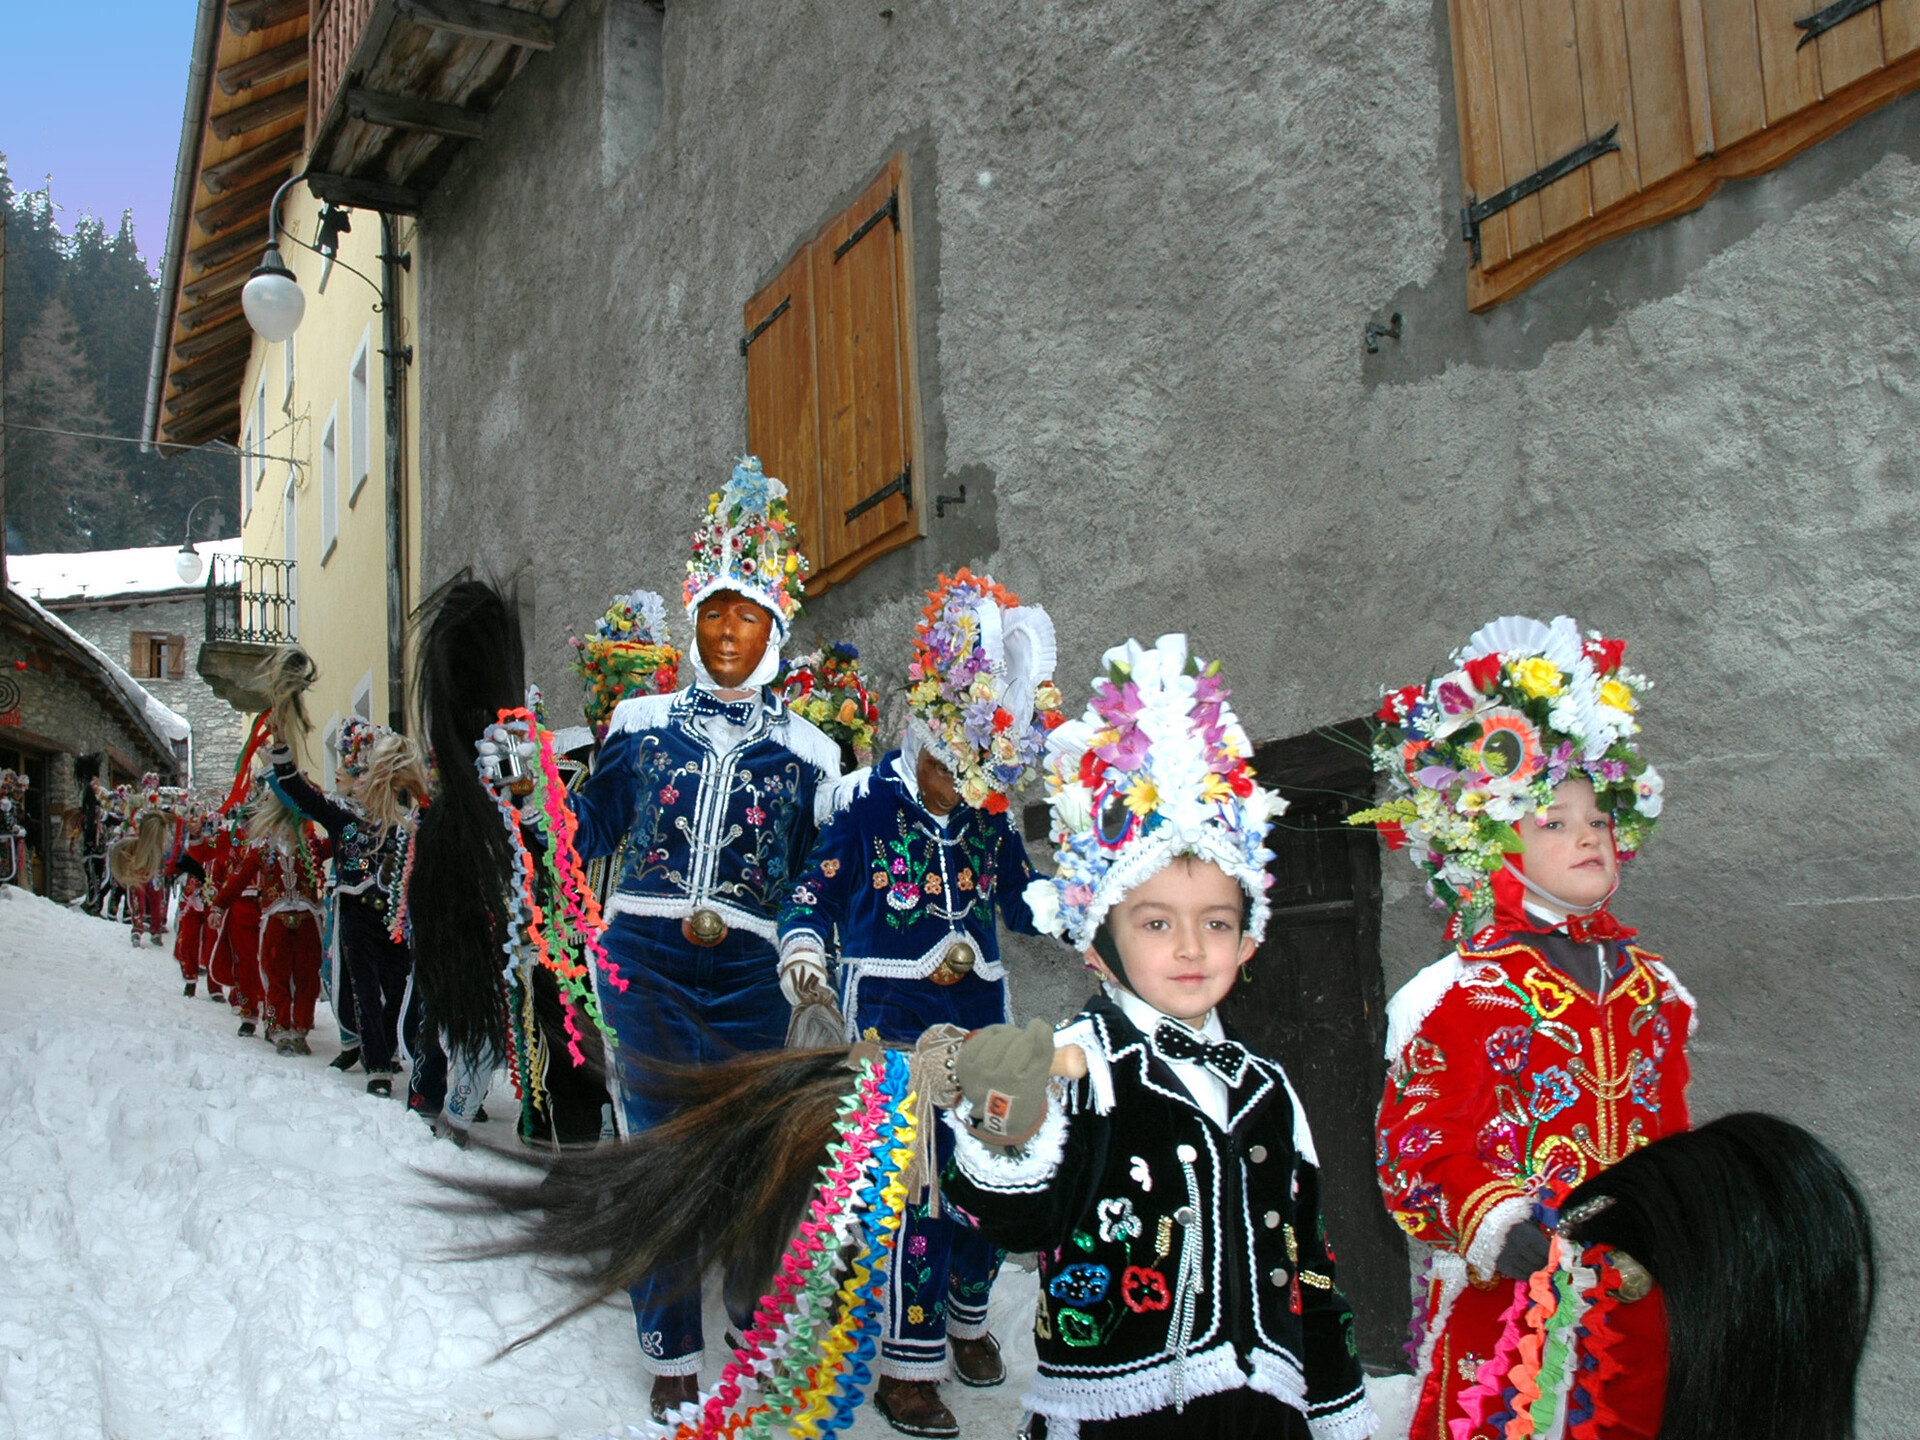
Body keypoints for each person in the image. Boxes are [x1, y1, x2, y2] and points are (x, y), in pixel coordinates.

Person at [1351, 615, 1689, 1440]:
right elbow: (1416, 1148)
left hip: (1643, 1294)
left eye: (1598, 821)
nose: (1588, 836)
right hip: (1511, 1306)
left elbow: (1676, 1133)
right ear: (1489, 843)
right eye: (1554, 822)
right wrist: (1495, 1223)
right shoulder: (1460, 992)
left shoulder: (1656, 989)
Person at [562, 458, 840, 1418]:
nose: (727, 633)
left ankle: (758, 1329)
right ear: (693, 621)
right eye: (713, 613)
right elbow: (591, 831)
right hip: (645, 962)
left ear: (775, 630)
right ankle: (671, 1344)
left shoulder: (813, 754)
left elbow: (813, 882)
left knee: (758, 1153)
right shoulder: (640, 724)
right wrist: (536, 799)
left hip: (754, 978)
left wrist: (810, 961)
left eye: (747, 616)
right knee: (660, 1145)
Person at [777, 571, 1062, 1436]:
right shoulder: (866, 809)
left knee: (993, 1185)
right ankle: (908, 1366)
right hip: (892, 1035)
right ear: (919, 740)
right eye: (946, 769)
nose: (957, 788)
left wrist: (1085, 902)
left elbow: (1020, 903)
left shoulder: (985, 816)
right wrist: (802, 952)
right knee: (917, 1200)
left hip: (983, 1030)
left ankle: (968, 1319)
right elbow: (813, 893)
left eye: (971, 774)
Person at [268, 716, 429, 1095]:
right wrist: (281, 748)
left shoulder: (403, 824)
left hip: (394, 915)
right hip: (355, 911)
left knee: (398, 987)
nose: (360, 781)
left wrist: (422, 788)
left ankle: (385, 1046)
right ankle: (377, 1067)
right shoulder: (342, 817)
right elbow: (298, 791)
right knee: (365, 990)